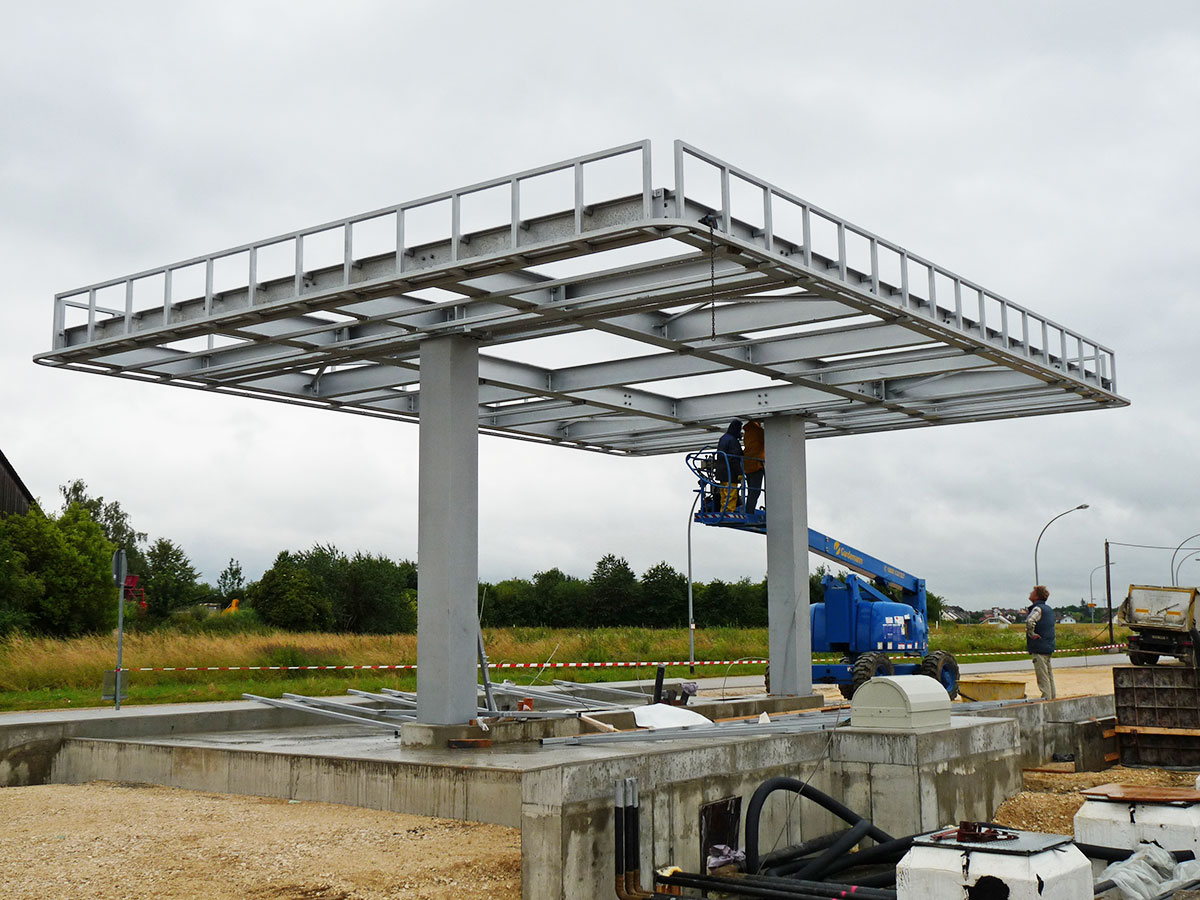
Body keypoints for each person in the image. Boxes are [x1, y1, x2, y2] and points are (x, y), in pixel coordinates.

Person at [1025, 586, 1057, 700]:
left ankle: (1046, 699)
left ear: (1037, 596)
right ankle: (1052, 698)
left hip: (1039, 646)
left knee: (1042, 677)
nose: (1030, 593)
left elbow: (1030, 621)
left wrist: (1031, 634)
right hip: (1048, 646)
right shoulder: (1049, 609)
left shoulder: (1037, 609)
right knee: (1049, 675)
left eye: (1032, 592)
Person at [716, 419, 743, 513]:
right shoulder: (733, 441)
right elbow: (734, 459)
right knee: (731, 493)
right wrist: (739, 472)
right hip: (730, 472)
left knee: (724, 493)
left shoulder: (723, 438)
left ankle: (723, 510)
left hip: (721, 471)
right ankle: (729, 511)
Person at [742, 419, 765, 514]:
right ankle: (749, 511)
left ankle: (748, 510)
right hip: (756, 464)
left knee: (751, 490)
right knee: (755, 491)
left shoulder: (747, 432)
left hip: (747, 464)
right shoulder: (759, 432)